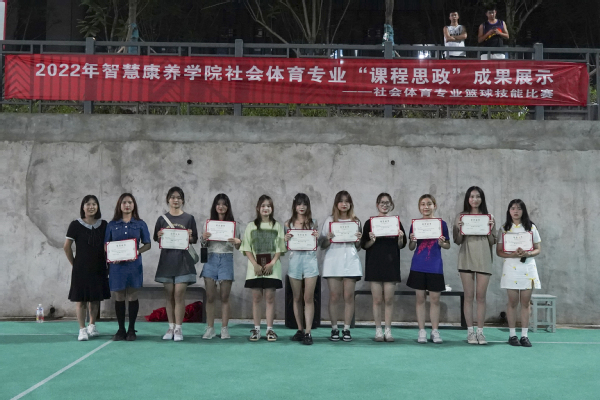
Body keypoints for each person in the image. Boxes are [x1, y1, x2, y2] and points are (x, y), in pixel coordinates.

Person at [104, 193, 151, 341]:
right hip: (117, 267)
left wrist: (137, 251)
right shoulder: (112, 225)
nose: (127, 205)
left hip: (134, 265)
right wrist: (112, 255)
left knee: (132, 296)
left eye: (130, 202)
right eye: (124, 202)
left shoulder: (140, 224)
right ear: (119, 205)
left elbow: (148, 244)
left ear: (134, 205)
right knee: (119, 296)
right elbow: (106, 245)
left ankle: (131, 329)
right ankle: (120, 329)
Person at [154, 187, 198, 342]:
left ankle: (179, 328)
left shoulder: (189, 218)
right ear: (168, 199)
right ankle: (170, 327)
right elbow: (156, 238)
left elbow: (194, 239)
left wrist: (190, 236)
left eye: (179, 197)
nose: (176, 200)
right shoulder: (162, 219)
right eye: (173, 197)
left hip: (184, 263)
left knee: (179, 294)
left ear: (183, 200)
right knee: (169, 295)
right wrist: (159, 235)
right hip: (167, 262)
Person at [64, 195, 110, 341]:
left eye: (94, 204)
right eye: (88, 204)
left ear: (98, 207)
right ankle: (82, 329)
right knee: (81, 300)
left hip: (99, 267)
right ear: (83, 207)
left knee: (95, 299)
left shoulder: (104, 225)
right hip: (81, 268)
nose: (91, 207)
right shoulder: (75, 225)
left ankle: (92, 325)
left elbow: (108, 246)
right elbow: (67, 247)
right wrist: (74, 263)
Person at [453, 187, 496, 345]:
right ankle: (470, 332)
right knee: (469, 296)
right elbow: (457, 241)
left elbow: (493, 241)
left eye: (478, 196)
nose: (475, 199)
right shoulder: (461, 217)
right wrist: (459, 228)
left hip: (484, 259)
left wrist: (490, 228)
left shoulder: (489, 217)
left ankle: (480, 332)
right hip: (466, 258)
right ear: (467, 199)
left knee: (481, 297)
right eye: (472, 196)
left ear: (482, 199)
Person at [240, 195, 286, 342]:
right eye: (263, 206)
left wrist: (272, 263)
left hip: (273, 267)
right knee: (256, 298)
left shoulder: (277, 226)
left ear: (272, 209)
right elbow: (246, 247)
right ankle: (257, 329)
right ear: (258, 208)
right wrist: (255, 264)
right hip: (255, 269)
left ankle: (270, 329)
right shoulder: (251, 226)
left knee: (270, 298)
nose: (266, 208)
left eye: (268, 206)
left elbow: (280, 247)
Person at [361, 193, 406, 342]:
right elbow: (364, 245)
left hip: (391, 265)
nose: (385, 205)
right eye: (382, 202)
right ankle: (378, 330)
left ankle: (388, 330)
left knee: (389, 299)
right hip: (374, 265)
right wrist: (372, 241)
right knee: (377, 300)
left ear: (391, 205)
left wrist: (400, 237)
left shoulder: (396, 223)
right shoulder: (369, 223)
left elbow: (401, 245)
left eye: (387, 203)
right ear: (377, 204)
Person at [496, 199, 542, 347]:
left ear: (524, 211)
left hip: (527, 268)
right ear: (509, 211)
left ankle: (524, 335)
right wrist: (512, 255)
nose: (516, 211)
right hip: (511, 269)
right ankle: (512, 335)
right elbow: (499, 251)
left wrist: (528, 254)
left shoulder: (531, 227)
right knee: (512, 302)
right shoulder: (504, 229)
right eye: (513, 208)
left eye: (519, 208)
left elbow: (538, 249)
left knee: (525, 302)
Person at [407, 194, 450, 344]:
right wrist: (412, 240)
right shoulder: (415, 224)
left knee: (435, 299)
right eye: (423, 204)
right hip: (418, 265)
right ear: (419, 207)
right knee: (420, 299)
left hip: (435, 265)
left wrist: (442, 243)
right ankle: (421, 331)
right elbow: (411, 247)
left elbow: (447, 245)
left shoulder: (441, 224)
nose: (426, 207)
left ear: (434, 206)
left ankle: (435, 331)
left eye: (429, 204)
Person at [320, 190, 362, 342]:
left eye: (347, 201)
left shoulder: (356, 221)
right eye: (341, 201)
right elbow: (322, 245)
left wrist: (358, 240)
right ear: (336, 204)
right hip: (333, 261)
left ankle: (346, 329)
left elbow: (358, 247)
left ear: (350, 204)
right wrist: (328, 238)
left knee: (349, 296)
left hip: (351, 261)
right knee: (334, 296)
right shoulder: (329, 220)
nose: (344, 204)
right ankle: (334, 328)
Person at [200, 193, 241, 340]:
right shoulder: (208, 224)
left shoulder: (234, 225)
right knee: (210, 296)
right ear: (214, 206)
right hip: (211, 258)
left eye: (224, 204)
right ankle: (210, 328)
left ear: (228, 207)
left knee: (225, 296)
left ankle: (224, 328)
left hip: (226, 258)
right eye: (218, 204)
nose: (221, 207)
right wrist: (203, 238)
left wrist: (238, 242)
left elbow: (238, 247)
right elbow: (203, 244)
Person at [284, 193, 319, 346]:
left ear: (308, 206)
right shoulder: (288, 223)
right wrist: (285, 240)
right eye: (299, 204)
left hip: (310, 261)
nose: (302, 207)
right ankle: (300, 329)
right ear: (294, 206)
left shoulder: (314, 223)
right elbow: (284, 247)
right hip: (295, 261)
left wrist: (317, 237)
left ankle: (308, 331)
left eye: (304, 204)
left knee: (308, 297)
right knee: (296, 297)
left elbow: (319, 243)